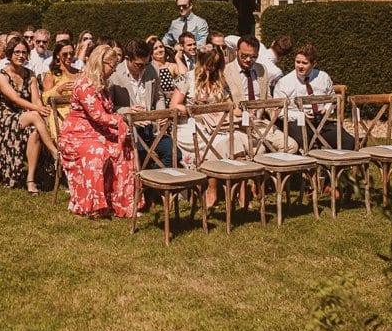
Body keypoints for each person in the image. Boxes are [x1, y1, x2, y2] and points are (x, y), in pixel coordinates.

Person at [58, 45, 136, 218]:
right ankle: (94, 206)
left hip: (97, 132)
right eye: (112, 67)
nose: (113, 71)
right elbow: (98, 115)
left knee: (124, 149)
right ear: (101, 63)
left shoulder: (102, 85)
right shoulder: (84, 84)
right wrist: (121, 120)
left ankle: (120, 203)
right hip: (76, 136)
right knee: (98, 152)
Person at [170, 47, 248, 207]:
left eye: (216, 64)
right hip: (192, 124)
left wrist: (244, 111)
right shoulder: (187, 78)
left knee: (237, 139)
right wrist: (195, 110)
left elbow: (230, 105)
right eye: (209, 64)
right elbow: (174, 105)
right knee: (218, 141)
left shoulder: (219, 80)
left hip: (215, 124)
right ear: (201, 61)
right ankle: (212, 188)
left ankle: (240, 190)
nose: (212, 68)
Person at [0, 37, 58, 194]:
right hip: (6, 119)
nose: (21, 55)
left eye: (24, 52)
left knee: (35, 133)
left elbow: (36, 100)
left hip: (27, 116)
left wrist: (41, 111)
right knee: (36, 115)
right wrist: (38, 110)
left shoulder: (31, 75)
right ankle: (55, 153)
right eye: (17, 52)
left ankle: (30, 180)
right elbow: (15, 99)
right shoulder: (1, 76)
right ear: (10, 53)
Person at [274, 43, 355, 151]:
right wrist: (300, 115)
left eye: (304, 63)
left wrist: (326, 109)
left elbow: (332, 99)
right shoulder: (284, 82)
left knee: (348, 141)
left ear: (313, 64)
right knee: (305, 142)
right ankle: (309, 167)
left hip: (321, 120)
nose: (300, 66)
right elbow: (279, 111)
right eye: (297, 62)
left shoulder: (323, 77)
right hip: (297, 122)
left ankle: (334, 166)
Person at [223, 36, 297, 154]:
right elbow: (224, 103)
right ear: (237, 51)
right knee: (258, 150)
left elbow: (267, 98)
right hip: (239, 125)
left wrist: (273, 110)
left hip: (261, 123)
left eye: (253, 56)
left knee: (291, 146)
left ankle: (271, 171)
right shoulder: (226, 71)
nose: (248, 60)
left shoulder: (261, 69)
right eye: (244, 55)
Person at [109, 39, 172, 169]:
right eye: (139, 65)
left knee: (173, 153)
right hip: (128, 130)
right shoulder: (114, 74)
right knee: (141, 158)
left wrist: (160, 113)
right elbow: (109, 107)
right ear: (127, 58)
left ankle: (153, 185)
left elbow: (158, 96)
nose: (143, 68)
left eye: (146, 63)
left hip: (152, 128)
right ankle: (146, 185)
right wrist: (127, 112)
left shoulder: (151, 69)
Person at [41, 40, 81, 140]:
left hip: (79, 112)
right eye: (65, 54)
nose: (69, 56)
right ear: (58, 55)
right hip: (60, 113)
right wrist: (59, 89)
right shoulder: (51, 74)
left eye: (71, 53)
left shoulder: (80, 74)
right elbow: (45, 98)